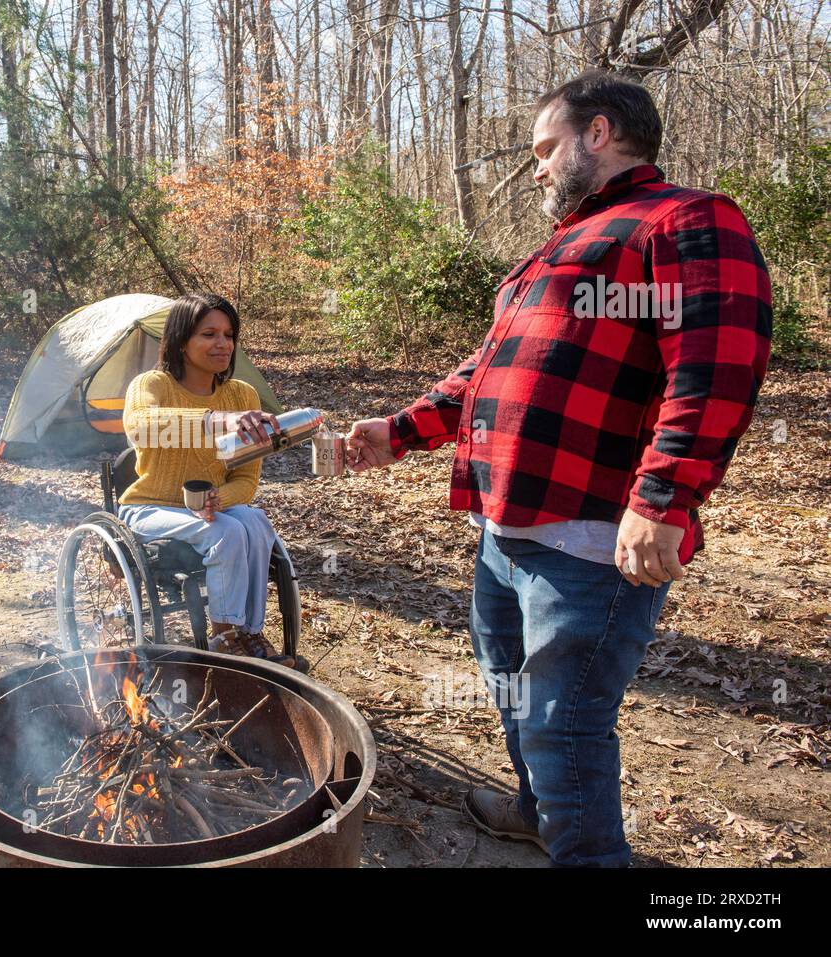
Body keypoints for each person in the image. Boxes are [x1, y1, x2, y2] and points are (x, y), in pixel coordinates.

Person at [346, 70, 771, 867]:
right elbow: (490, 369)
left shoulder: (684, 219)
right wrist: (398, 430)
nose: (536, 167)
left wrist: (665, 497)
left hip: (589, 538)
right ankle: (539, 810)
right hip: (504, 530)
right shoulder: (558, 248)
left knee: (563, 722)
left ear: (598, 133)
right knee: (513, 693)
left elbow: (718, 365)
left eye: (546, 148)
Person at [119, 292, 306, 671]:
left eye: (228, 334)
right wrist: (218, 421)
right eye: (208, 334)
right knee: (227, 533)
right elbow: (142, 427)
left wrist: (218, 497)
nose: (222, 343)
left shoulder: (242, 394)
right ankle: (224, 637)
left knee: (255, 521)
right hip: (150, 507)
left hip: (206, 509)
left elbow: (246, 479)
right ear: (181, 341)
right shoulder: (151, 385)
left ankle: (250, 633)